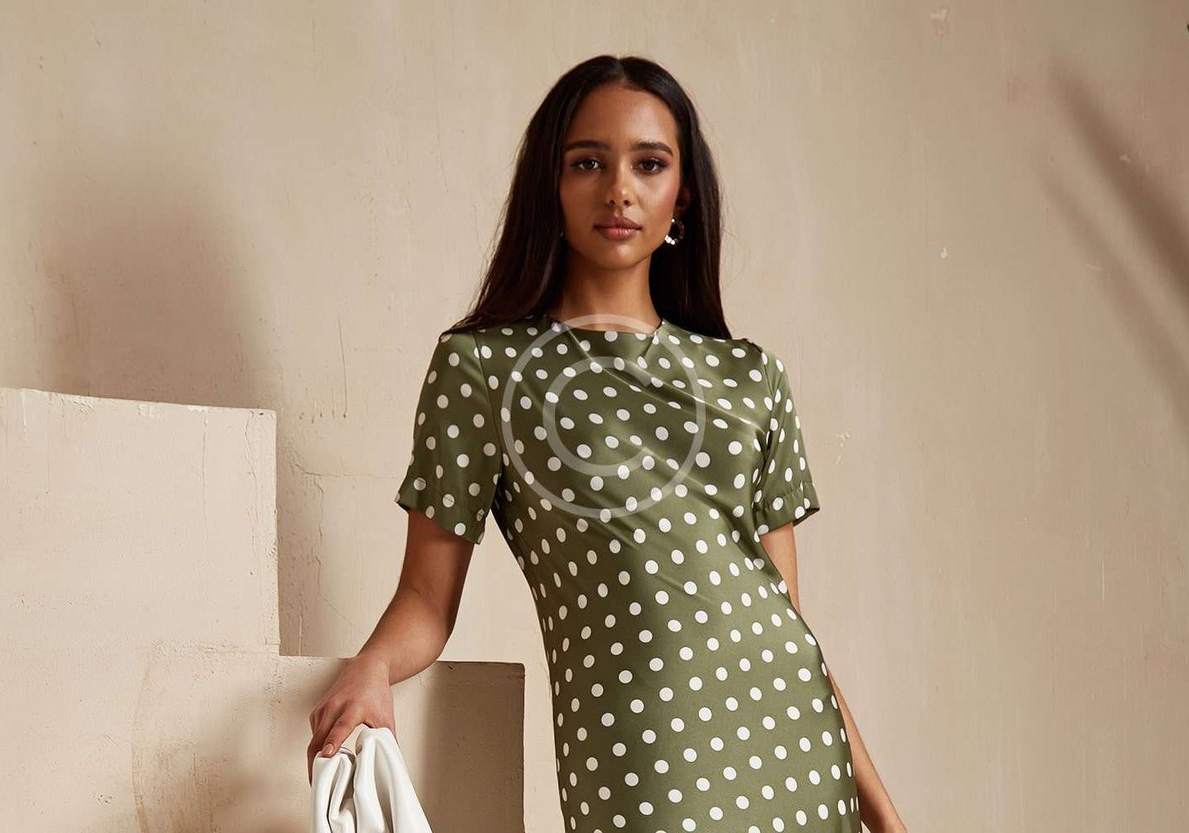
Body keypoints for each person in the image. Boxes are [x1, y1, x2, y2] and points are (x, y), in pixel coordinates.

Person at [308, 54, 907, 833]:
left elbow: (790, 622)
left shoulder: (750, 378)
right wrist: (372, 665)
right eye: (588, 162)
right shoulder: (485, 369)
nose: (619, 189)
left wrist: (886, 817)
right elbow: (426, 596)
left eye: (648, 164)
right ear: (550, 186)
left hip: (795, 745)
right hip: (644, 748)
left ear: (681, 193)